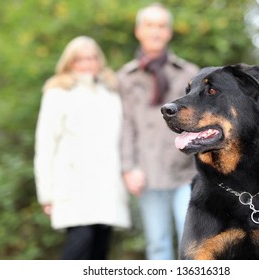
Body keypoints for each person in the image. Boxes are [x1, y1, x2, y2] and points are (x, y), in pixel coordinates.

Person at [34, 36, 131, 260]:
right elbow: (45, 144)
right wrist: (46, 194)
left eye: (91, 58)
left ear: (99, 61)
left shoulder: (110, 92)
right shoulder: (57, 93)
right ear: (69, 62)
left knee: (100, 251)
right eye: (80, 59)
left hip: (107, 186)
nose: (86, 64)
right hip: (74, 185)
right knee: (80, 244)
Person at [117, 3, 199, 260]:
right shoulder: (126, 77)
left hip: (186, 172)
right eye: (150, 25)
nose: (155, 31)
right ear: (138, 31)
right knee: (157, 244)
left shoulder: (188, 73)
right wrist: (129, 167)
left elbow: (202, 122)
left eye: (161, 26)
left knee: (194, 242)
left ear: (169, 33)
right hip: (148, 174)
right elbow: (125, 125)